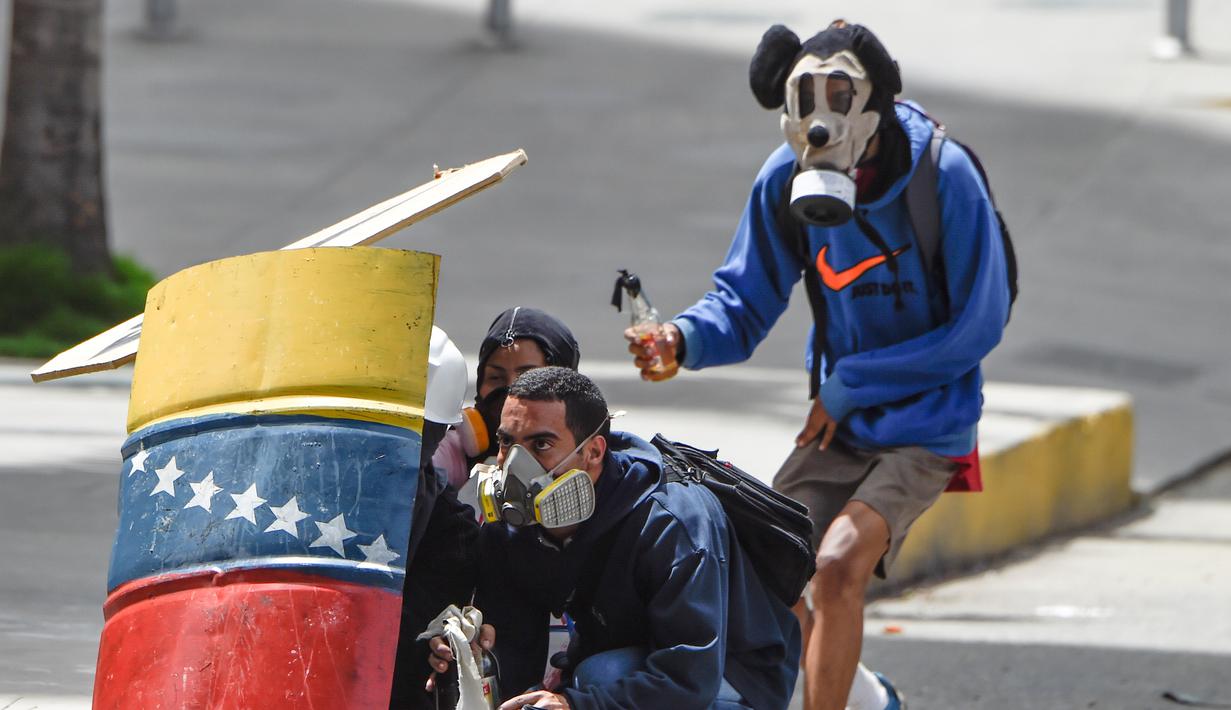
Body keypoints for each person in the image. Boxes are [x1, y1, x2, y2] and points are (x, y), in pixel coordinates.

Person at [625, 21, 1010, 710]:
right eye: (805, 100)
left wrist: (849, 383)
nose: (821, 126)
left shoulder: (942, 175)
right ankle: (863, 696)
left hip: (928, 419)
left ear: (875, 105)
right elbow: (741, 302)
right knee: (764, 563)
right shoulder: (785, 180)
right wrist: (678, 342)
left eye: (839, 96)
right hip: (841, 422)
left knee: (834, 566)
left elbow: (976, 327)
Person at [433, 367, 800, 709]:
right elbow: (515, 650)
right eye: (507, 443)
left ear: (593, 452)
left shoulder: (673, 523)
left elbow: (689, 678)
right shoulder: (512, 531)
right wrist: (471, 665)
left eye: (541, 445)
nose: (514, 465)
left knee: (600, 677)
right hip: (633, 657)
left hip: (731, 678)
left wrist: (576, 704)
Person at [432, 306, 582, 492]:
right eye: (495, 378)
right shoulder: (451, 453)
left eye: (528, 378)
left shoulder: (588, 458)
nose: (511, 394)